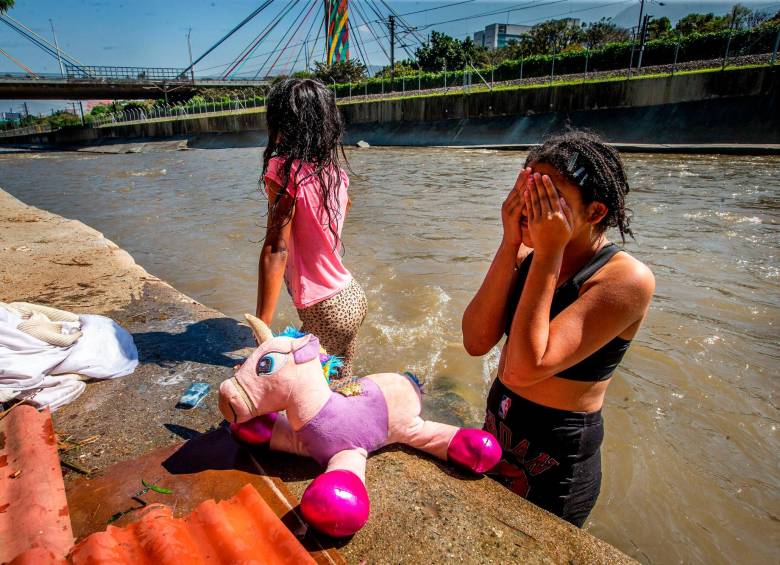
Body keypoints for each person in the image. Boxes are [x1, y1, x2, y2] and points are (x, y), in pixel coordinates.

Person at [462, 131, 655, 527]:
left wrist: (549, 250)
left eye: (550, 202)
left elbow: (521, 369)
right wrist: (509, 240)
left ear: (596, 212)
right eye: (530, 194)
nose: (533, 210)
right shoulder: (526, 253)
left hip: (556, 458)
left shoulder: (625, 279)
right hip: (499, 426)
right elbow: (476, 341)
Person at [256, 78, 366, 379]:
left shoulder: (283, 169)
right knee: (338, 385)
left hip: (325, 309)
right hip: (351, 296)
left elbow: (276, 248)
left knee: (284, 385)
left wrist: (261, 332)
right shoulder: (336, 175)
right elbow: (346, 206)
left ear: (282, 124)